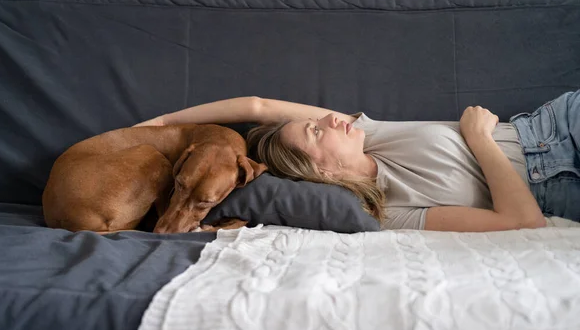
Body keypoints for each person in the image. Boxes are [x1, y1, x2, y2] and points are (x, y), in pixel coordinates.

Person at [134, 90, 580, 232]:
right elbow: (524, 222)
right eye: (314, 131)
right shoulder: (393, 215)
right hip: (559, 191)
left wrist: (161, 121)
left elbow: (257, 108)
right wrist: (479, 138)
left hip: (555, 125)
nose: (328, 118)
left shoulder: (374, 136)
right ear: (322, 173)